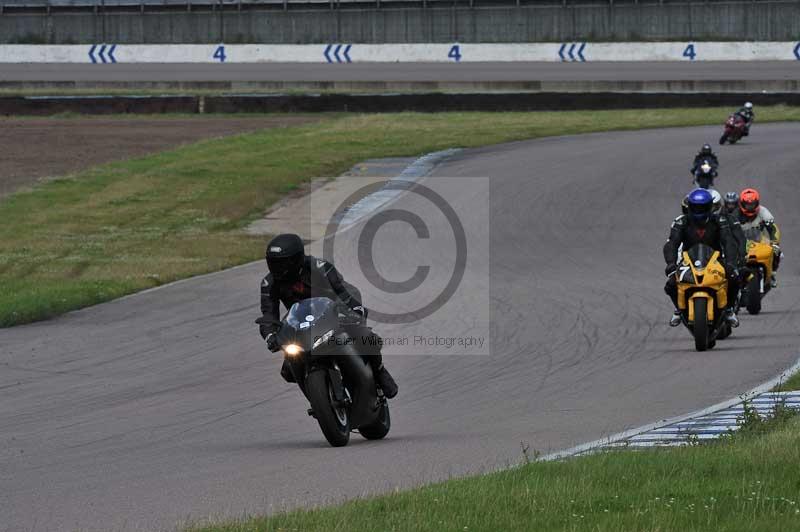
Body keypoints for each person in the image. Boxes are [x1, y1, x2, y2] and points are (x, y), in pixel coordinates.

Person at [258, 233, 398, 398]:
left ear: (296, 259)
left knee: (365, 337)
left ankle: (380, 371)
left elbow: (343, 291)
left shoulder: (320, 267)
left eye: (282, 263)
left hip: (335, 313)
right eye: (273, 263)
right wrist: (271, 336)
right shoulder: (269, 283)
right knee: (288, 368)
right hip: (302, 325)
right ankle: (315, 400)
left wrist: (354, 310)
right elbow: (268, 314)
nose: (277, 268)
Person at [664, 188, 740, 328]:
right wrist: (671, 264)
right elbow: (672, 244)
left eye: (703, 207)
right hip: (687, 261)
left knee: (734, 278)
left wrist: (731, 263)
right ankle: (679, 309)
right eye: (695, 207)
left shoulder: (719, 221)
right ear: (689, 207)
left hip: (715, 259)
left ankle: (729, 310)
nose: (699, 210)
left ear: (710, 207)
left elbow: (729, 242)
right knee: (671, 284)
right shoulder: (681, 222)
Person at [737, 188, 782, 288]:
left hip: (759, 239)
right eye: (747, 205)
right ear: (742, 204)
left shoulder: (763, 211)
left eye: (752, 204)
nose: (750, 207)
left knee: (777, 251)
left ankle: (772, 274)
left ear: (757, 203)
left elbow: (773, 228)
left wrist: (775, 242)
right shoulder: (735, 214)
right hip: (741, 241)